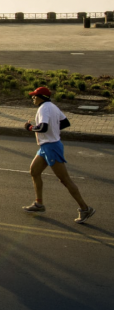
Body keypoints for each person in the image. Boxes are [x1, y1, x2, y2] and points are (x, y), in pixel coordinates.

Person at [22, 86, 95, 224]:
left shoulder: (43, 108)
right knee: (34, 171)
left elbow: (42, 127)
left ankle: (85, 208)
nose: (32, 98)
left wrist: (30, 127)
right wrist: (54, 129)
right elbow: (66, 122)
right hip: (46, 146)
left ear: (41, 97)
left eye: (34, 96)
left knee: (65, 180)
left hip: (51, 147)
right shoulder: (53, 107)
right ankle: (39, 204)